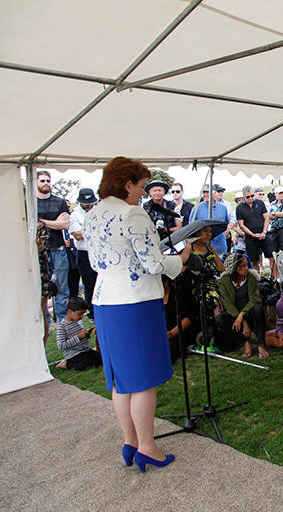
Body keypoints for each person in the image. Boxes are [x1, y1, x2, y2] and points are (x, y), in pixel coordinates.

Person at [83, 156, 191, 472]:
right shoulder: (133, 214)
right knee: (143, 380)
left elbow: (94, 264)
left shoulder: (92, 215)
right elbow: (154, 264)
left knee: (121, 380)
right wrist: (180, 260)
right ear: (127, 183)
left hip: (104, 301)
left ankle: (131, 441)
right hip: (136, 302)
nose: (142, 194)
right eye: (142, 187)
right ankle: (148, 447)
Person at [216, 253, 268, 359]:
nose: (246, 268)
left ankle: (261, 345)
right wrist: (242, 321)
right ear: (235, 268)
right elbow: (228, 304)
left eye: (246, 265)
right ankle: (245, 344)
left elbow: (254, 299)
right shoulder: (224, 281)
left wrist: (241, 316)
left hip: (250, 311)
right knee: (220, 319)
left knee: (258, 309)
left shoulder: (251, 277)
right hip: (234, 313)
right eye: (242, 266)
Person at [36, 170, 70, 322]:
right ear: (36, 182)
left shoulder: (60, 202)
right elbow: (32, 224)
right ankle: (45, 321)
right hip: (39, 251)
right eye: (42, 181)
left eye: (48, 181)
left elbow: (65, 224)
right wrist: (55, 223)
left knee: (62, 287)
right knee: (41, 288)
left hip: (58, 249)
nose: (45, 184)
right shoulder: (30, 203)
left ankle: (62, 319)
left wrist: (42, 222)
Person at [69, 188, 99, 320]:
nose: (89, 206)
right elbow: (77, 235)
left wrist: (86, 230)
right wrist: (94, 228)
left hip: (98, 252)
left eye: (91, 203)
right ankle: (92, 312)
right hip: (83, 253)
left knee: (100, 280)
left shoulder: (99, 211)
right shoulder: (74, 214)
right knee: (88, 283)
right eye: (86, 203)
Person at [55, 297, 102, 371]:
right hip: (74, 354)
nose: (82, 316)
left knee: (100, 358)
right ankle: (66, 364)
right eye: (79, 314)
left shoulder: (79, 322)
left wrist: (86, 335)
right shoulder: (62, 326)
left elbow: (82, 337)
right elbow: (61, 345)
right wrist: (78, 337)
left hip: (85, 350)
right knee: (85, 364)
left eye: (83, 314)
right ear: (70, 312)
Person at [236, 186, 271, 272]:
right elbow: (241, 225)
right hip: (250, 237)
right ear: (244, 197)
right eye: (248, 197)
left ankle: (275, 277)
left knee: (271, 256)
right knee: (254, 260)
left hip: (263, 234)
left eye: (252, 196)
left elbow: (266, 217)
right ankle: (257, 280)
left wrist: (264, 231)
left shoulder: (260, 203)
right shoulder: (239, 208)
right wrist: (252, 235)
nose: (250, 198)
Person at [191, 185, 231, 254]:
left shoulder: (223, 208)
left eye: (208, 192)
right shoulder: (196, 209)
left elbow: (226, 223)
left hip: (220, 246)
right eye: (204, 193)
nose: (206, 195)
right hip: (203, 246)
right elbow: (191, 227)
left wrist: (227, 231)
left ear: (215, 193)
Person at [267, 186, 283, 254]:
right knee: (274, 251)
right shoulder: (272, 204)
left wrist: (274, 213)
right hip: (274, 229)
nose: (281, 195)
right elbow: (269, 216)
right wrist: (279, 214)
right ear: (275, 194)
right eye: (279, 193)